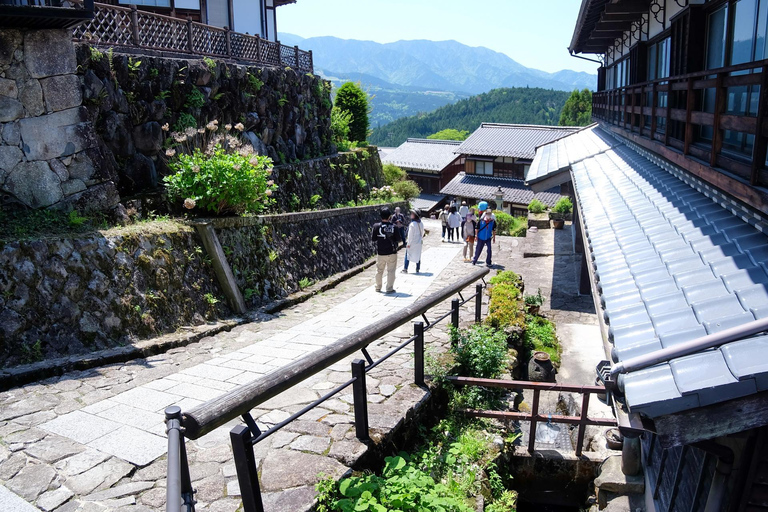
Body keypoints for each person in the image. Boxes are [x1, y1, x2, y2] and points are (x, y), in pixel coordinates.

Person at [372, 207, 398, 294]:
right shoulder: (394, 227)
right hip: (391, 252)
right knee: (391, 271)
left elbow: (373, 239)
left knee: (379, 270)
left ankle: (378, 287)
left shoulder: (376, 226)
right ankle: (389, 288)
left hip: (381, 252)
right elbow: (398, 239)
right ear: (389, 216)